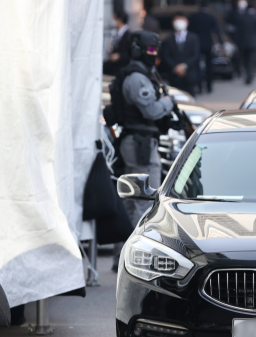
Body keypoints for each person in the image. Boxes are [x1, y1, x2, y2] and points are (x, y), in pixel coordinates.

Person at [110, 31, 175, 270]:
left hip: (139, 141)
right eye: (150, 50)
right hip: (140, 143)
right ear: (138, 50)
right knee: (144, 200)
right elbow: (151, 111)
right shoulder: (137, 78)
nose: (154, 55)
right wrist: (169, 102)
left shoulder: (142, 74)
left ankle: (123, 254)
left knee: (132, 201)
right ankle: (135, 257)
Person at [160, 14, 200, 96]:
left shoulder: (193, 38)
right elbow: (166, 55)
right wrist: (176, 67)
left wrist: (184, 66)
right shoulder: (168, 39)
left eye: (181, 20)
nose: (179, 22)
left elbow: (195, 54)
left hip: (189, 73)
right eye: (176, 20)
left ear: (187, 22)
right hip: (174, 74)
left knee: (190, 97)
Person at [225, 0, 256, 85]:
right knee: (250, 60)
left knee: (246, 60)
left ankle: (248, 75)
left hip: (243, 42)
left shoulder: (242, 17)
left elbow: (237, 30)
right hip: (253, 42)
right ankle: (249, 75)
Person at [189, 2, 225, 93]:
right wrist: (221, 42)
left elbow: (189, 31)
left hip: (196, 45)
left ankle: (199, 86)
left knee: (197, 67)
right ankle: (209, 86)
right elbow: (217, 30)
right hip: (208, 44)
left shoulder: (194, 17)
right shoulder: (210, 16)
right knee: (209, 66)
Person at [103, 9, 131, 76]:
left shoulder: (128, 35)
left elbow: (130, 53)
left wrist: (119, 56)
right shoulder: (117, 34)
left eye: (114, 18)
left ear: (119, 20)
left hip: (121, 67)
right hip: (115, 66)